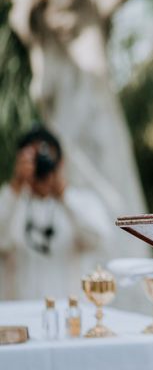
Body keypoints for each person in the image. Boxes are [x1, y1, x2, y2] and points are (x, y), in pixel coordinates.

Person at [0, 125, 112, 300]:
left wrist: (64, 194)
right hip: (19, 314)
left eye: (46, 157)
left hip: (70, 314)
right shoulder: (12, 202)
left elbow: (98, 238)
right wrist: (16, 184)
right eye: (34, 159)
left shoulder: (82, 200)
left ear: (60, 162)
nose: (41, 165)